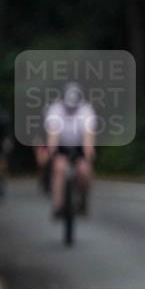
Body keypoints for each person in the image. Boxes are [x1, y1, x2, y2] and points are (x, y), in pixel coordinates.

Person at [45, 83, 97, 217]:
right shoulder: (55, 110)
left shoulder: (86, 110)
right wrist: (52, 152)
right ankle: (58, 205)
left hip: (79, 147)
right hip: (62, 147)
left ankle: (83, 198)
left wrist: (88, 153)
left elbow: (88, 135)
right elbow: (53, 133)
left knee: (84, 171)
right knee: (59, 169)